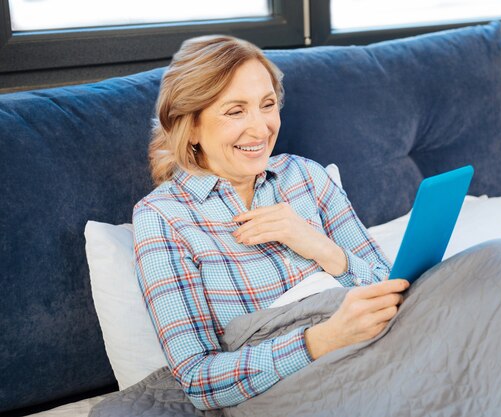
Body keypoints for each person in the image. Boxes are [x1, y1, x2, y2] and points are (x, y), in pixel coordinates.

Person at [133, 35, 409, 411]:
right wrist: (323, 339)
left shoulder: (306, 177)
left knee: (491, 267)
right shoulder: (163, 217)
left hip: (382, 350)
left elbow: (392, 287)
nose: (261, 128)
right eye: (235, 111)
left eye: (267, 105)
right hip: (293, 393)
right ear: (191, 126)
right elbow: (198, 379)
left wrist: (319, 246)